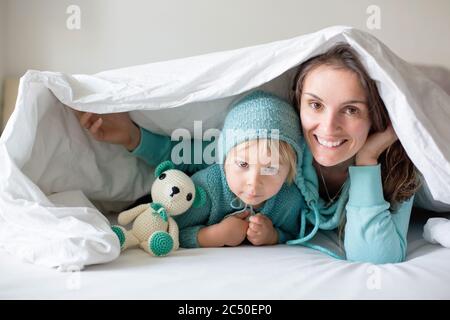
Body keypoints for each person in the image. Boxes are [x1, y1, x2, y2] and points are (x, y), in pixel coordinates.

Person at [77, 43, 420, 263]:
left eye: (352, 110)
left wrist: (367, 161)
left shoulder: (397, 170)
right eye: (315, 105)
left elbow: (374, 256)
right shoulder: (273, 139)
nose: (329, 127)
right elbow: (182, 153)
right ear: (298, 104)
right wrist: (131, 137)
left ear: (375, 113)